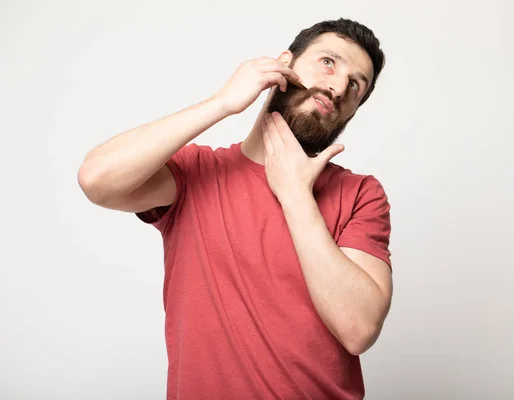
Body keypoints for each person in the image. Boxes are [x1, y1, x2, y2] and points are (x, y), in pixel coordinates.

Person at [78, 17, 393, 400]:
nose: (339, 86)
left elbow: (358, 328)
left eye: (356, 85)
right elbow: (96, 179)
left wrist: (295, 196)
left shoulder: (360, 193)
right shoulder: (196, 174)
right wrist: (223, 103)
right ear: (284, 65)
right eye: (329, 61)